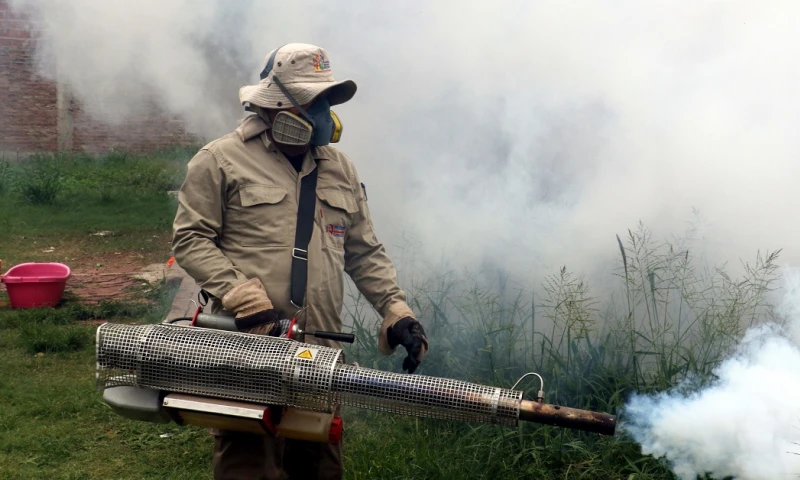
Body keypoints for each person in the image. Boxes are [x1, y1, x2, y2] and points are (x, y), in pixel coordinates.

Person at [172, 43, 428, 480]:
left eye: (326, 100)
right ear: (275, 104)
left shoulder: (340, 168)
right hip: (249, 346)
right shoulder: (219, 160)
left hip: (320, 356)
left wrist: (395, 309)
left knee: (319, 469)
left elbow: (363, 250)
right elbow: (191, 239)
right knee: (249, 468)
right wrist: (241, 296)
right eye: (313, 101)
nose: (323, 114)